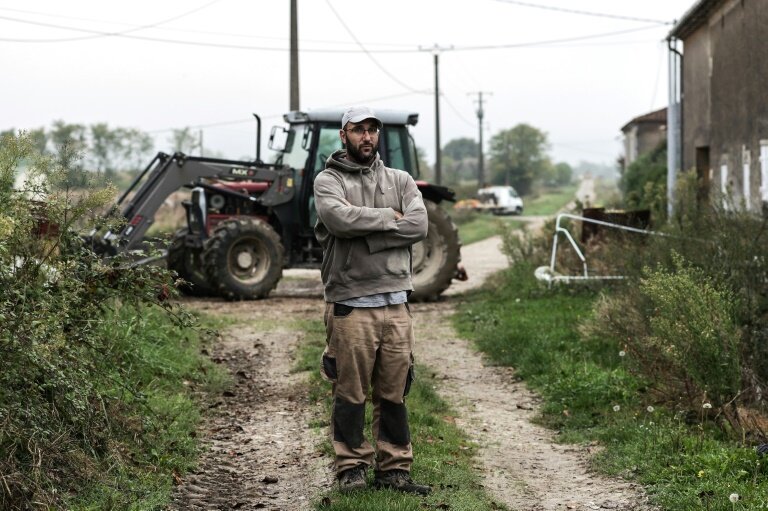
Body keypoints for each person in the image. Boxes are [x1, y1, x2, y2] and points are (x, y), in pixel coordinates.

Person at [313, 106, 431, 495]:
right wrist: (389, 218)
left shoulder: (401, 179)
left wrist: (368, 235)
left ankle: (394, 469)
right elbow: (338, 220)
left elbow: (419, 224)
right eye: (358, 130)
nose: (367, 136)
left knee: (394, 392)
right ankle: (351, 467)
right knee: (350, 392)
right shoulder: (328, 181)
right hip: (351, 304)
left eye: (372, 130)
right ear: (343, 135)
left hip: (396, 303)